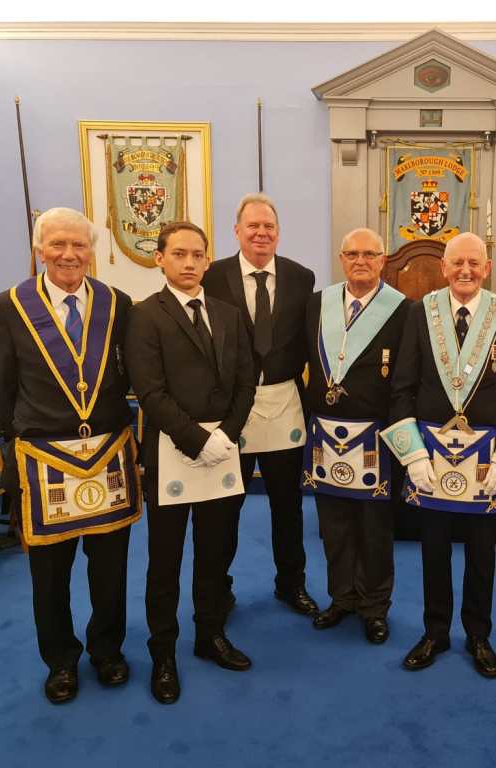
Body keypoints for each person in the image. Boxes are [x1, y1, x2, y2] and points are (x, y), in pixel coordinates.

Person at [0, 207, 140, 704]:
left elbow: (127, 372)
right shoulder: (8, 307)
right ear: (39, 250)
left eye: (79, 244)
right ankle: (61, 661)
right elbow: (1, 385)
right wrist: (24, 435)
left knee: (110, 567)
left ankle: (107, 650)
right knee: (49, 574)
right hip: (45, 458)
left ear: (91, 251)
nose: (69, 254)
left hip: (108, 452)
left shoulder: (116, 303)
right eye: (58, 244)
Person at [382, 232, 496, 679]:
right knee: (433, 549)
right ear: (444, 267)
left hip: (487, 460)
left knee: (482, 552)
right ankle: (435, 632)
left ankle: (478, 635)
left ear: (487, 268)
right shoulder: (420, 312)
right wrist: (412, 456)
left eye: (474, 263)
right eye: (457, 263)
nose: (466, 271)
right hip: (431, 457)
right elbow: (403, 387)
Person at [126, 221, 256, 704]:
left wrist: (227, 434)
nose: (188, 262)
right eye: (178, 253)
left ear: (207, 260)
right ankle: (163, 652)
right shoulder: (144, 315)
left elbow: (247, 381)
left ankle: (210, 634)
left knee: (215, 551)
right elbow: (149, 391)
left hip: (224, 450)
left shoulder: (227, 313)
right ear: (160, 258)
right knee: (166, 560)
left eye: (197, 254)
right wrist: (197, 440)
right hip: (172, 452)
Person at [202, 193, 319, 616]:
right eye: (252, 226)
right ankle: (219, 588)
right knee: (226, 506)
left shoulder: (301, 277)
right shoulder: (213, 276)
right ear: (237, 231)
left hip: (284, 401)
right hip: (233, 407)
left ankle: (292, 584)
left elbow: (307, 338)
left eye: (268, 226)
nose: (261, 233)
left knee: (288, 506)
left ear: (278, 233)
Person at [302, 228, 410, 643]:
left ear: (383, 260)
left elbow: (405, 379)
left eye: (369, 254)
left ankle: (374, 606)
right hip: (326, 434)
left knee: (375, 530)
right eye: (352, 254)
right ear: (341, 259)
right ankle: (342, 597)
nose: (360, 261)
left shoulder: (403, 310)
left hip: (377, 438)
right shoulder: (318, 304)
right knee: (334, 526)